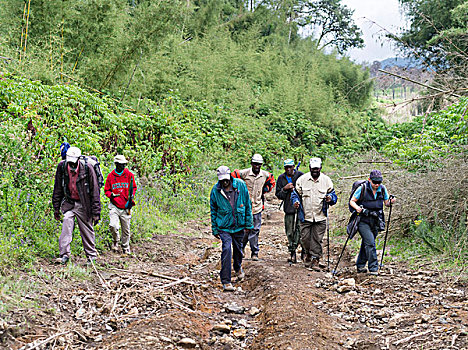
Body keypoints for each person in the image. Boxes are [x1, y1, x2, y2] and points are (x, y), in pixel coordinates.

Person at [52, 147, 101, 264]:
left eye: (74, 163)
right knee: (66, 224)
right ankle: (64, 255)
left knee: (86, 229)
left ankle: (91, 256)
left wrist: (96, 212)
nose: (72, 166)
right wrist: (56, 208)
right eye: (70, 163)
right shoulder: (62, 167)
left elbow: (95, 191)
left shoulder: (87, 168)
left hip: (84, 204)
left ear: (78, 160)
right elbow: (57, 188)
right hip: (69, 202)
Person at [210, 166, 253, 292]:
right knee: (227, 250)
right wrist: (215, 229)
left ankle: (238, 267)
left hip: (239, 224)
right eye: (222, 180)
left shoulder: (240, 185)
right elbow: (213, 210)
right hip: (224, 226)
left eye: (226, 179)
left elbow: (247, 204)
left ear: (230, 176)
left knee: (238, 249)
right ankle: (226, 281)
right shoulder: (215, 191)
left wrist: (248, 224)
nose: (225, 182)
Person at [292, 157, 337, 270]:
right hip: (305, 216)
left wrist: (330, 198)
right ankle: (307, 255)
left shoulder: (326, 181)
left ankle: (316, 259)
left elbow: (334, 196)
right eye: (313, 169)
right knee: (305, 239)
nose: (315, 171)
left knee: (317, 239)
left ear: (320, 168)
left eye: (317, 169)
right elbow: (295, 194)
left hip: (320, 216)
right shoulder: (302, 180)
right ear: (310, 168)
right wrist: (296, 202)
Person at [349, 170, 396, 275]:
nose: (377, 184)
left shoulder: (382, 189)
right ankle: (374, 268)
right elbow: (352, 201)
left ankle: (360, 265)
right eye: (374, 182)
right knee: (370, 243)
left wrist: (391, 201)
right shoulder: (363, 189)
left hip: (376, 220)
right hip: (362, 220)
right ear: (369, 180)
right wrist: (358, 209)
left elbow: (386, 203)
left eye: (379, 182)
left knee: (367, 243)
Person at [232, 154, 275, 261]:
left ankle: (254, 253)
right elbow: (233, 177)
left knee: (255, 230)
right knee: (244, 230)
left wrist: (264, 191)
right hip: (244, 208)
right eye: (255, 164)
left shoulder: (265, 175)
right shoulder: (244, 173)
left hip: (257, 207)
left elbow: (271, 182)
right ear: (252, 164)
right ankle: (240, 249)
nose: (257, 166)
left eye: (259, 164)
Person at [104, 155, 137, 255]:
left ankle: (125, 247)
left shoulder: (129, 175)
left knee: (126, 229)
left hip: (126, 205)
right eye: (121, 164)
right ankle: (115, 241)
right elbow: (106, 190)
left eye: (124, 165)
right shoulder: (111, 176)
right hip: (114, 205)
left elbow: (134, 187)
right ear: (116, 164)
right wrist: (111, 195)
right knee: (113, 225)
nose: (123, 166)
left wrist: (131, 195)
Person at [275, 159, 303, 263]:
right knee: (290, 232)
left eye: (290, 167)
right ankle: (292, 252)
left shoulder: (301, 176)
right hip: (288, 209)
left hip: (300, 209)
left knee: (299, 231)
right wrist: (285, 189)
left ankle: (301, 250)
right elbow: (278, 195)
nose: (288, 169)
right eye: (286, 167)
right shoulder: (281, 178)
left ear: (293, 166)